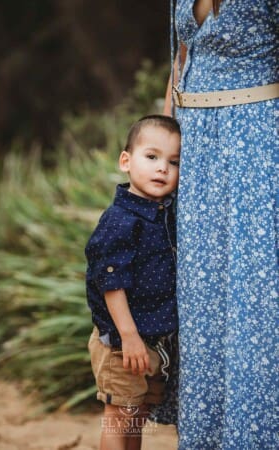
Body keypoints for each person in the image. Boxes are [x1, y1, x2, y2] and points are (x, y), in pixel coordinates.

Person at [156, 0, 278, 448]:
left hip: (258, 142)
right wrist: (163, 137)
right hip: (197, 146)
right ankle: (208, 437)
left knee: (255, 293)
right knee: (202, 294)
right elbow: (182, 55)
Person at [85, 115, 181, 450]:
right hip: (122, 340)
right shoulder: (121, 220)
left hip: (151, 340)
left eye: (174, 162)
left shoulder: (162, 214)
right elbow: (111, 283)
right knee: (119, 415)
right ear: (126, 161)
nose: (162, 169)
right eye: (152, 157)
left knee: (136, 413)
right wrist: (129, 337)